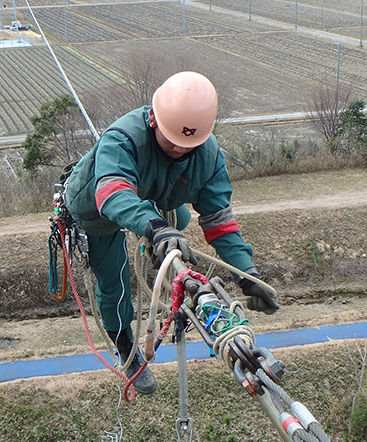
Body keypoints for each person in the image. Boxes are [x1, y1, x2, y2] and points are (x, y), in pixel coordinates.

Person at [64, 71, 279, 395]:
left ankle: (155, 231)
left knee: (174, 223)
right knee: (112, 277)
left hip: (155, 193)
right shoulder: (123, 138)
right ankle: (124, 343)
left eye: (188, 144)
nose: (179, 149)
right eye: (172, 141)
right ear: (153, 119)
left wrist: (248, 276)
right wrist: (155, 228)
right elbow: (112, 192)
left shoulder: (207, 156)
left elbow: (219, 220)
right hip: (96, 204)